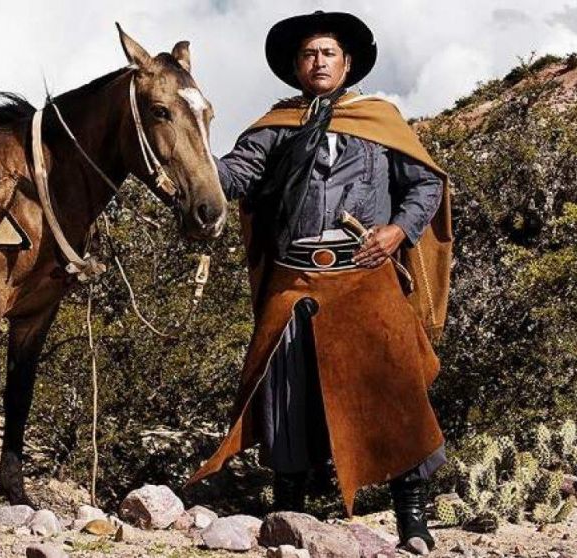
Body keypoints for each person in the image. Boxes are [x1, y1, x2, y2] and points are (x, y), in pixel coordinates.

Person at [186, 11, 454, 555]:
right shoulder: (275, 127)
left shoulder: (379, 121)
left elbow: (425, 185)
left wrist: (398, 231)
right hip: (296, 280)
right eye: (310, 54)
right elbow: (235, 176)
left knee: (399, 397)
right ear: (296, 66)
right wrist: (191, 157)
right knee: (286, 399)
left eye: (328, 53)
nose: (319, 61)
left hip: (367, 279)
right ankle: (290, 521)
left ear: (347, 63)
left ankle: (414, 524)